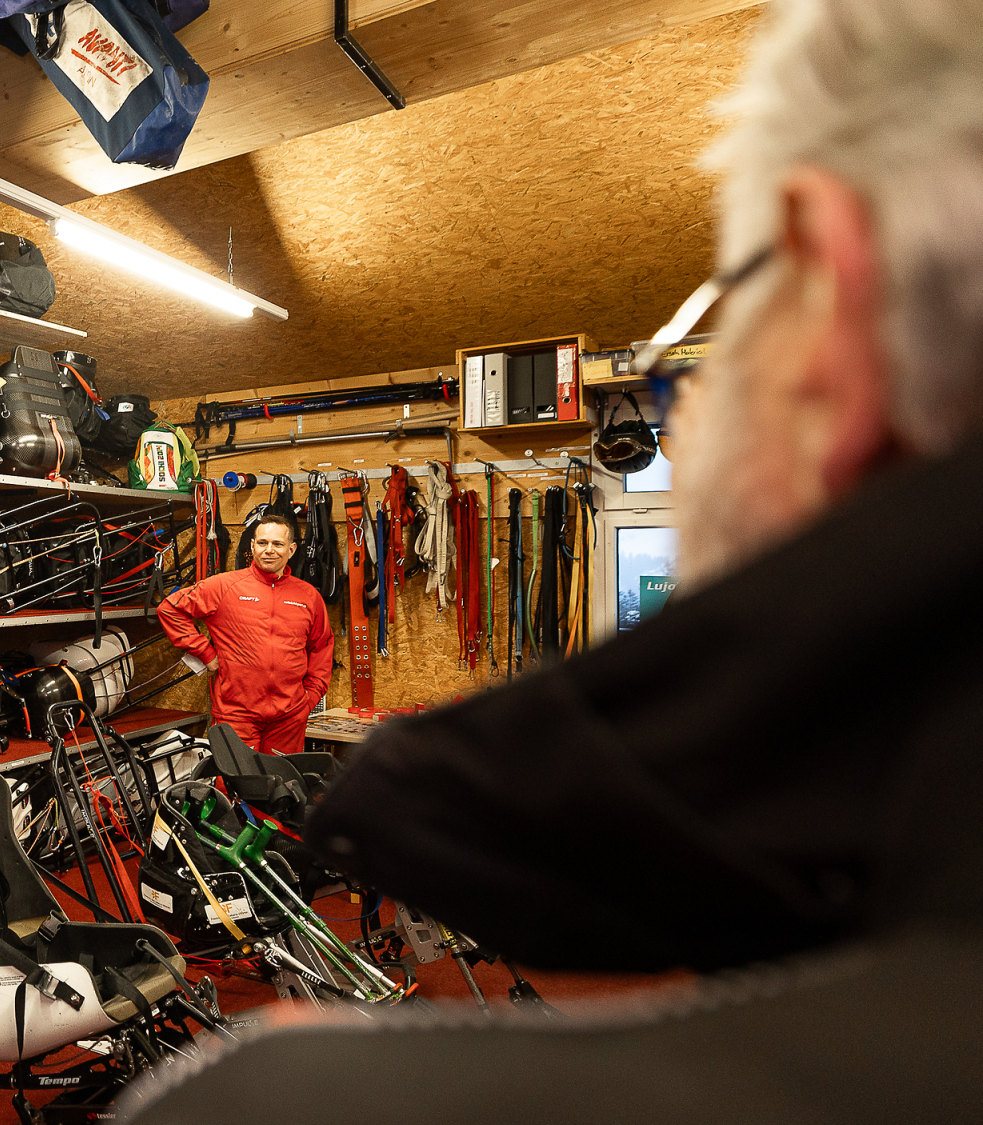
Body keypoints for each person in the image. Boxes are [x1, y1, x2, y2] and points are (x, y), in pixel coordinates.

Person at [120, 2, 983, 1119]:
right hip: (242, 714)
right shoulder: (226, 583)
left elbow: (330, 634)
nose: (694, 401)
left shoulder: (289, 1098)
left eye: (700, 347)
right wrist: (209, 673)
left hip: (289, 713)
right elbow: (177, 614)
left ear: (834, 315)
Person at [157, 512, 334, 753]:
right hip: (236, 714)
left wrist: (310, 698)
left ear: (291, 550)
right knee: (236, 786)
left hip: (289, 717)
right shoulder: (224, 586)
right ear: (252, 546)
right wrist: (205, 653)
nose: (269, 550)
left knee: (282, 785)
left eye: (278, 544)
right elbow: (170, 609)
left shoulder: (308, 595)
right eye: (262, 543)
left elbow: (321, 647)